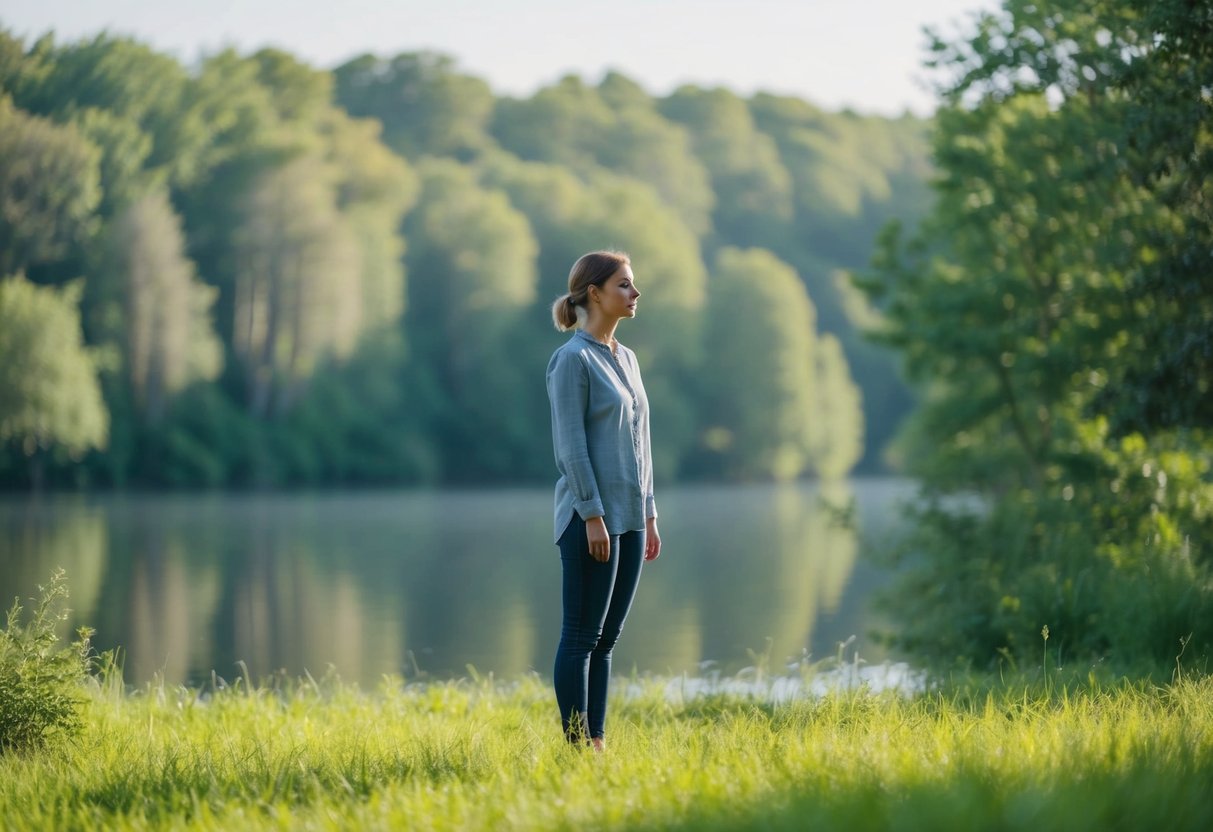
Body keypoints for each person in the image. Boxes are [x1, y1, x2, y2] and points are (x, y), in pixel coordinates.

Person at [547, 250, 662, 751]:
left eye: (632, 286)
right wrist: (592, 514)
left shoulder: (628, 358)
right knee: (580, 637)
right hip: (589, 518)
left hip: (632, 518)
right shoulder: (571, 359)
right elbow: (570, 446)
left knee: (607, 641)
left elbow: (642, 441)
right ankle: (577, 748)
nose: (635, 294)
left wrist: (650, 514)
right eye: (624, 285)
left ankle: (597, 741)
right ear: (594, 293)